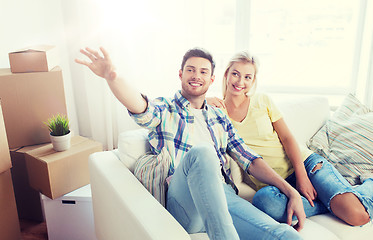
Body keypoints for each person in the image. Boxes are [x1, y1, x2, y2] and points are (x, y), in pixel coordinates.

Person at [75, 47, 306, 240]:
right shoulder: (166, 108)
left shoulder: (219, 117)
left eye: (203, 71)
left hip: (224, 197)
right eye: (191, 70)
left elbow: (250, 159)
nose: (197, 75)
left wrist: (291, 191)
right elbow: (140, 107)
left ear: (212, 79)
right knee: (203, 153)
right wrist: (112, 77)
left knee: (285, 235)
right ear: (181, 74)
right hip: (184, 201)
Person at [207, 51, 372, 227]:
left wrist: (302, 177)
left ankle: (368, 183)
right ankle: (331, 202)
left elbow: (287, 138)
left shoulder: (262, 100)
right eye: (235, 74)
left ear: (253, 80)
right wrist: (204, 99)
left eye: (247, 77)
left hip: (305, 165)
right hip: (273, 186)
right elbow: (186, 103)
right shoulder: (217, 114)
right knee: (264, 203)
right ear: (226, 75)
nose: (240, 82)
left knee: (357, 216)